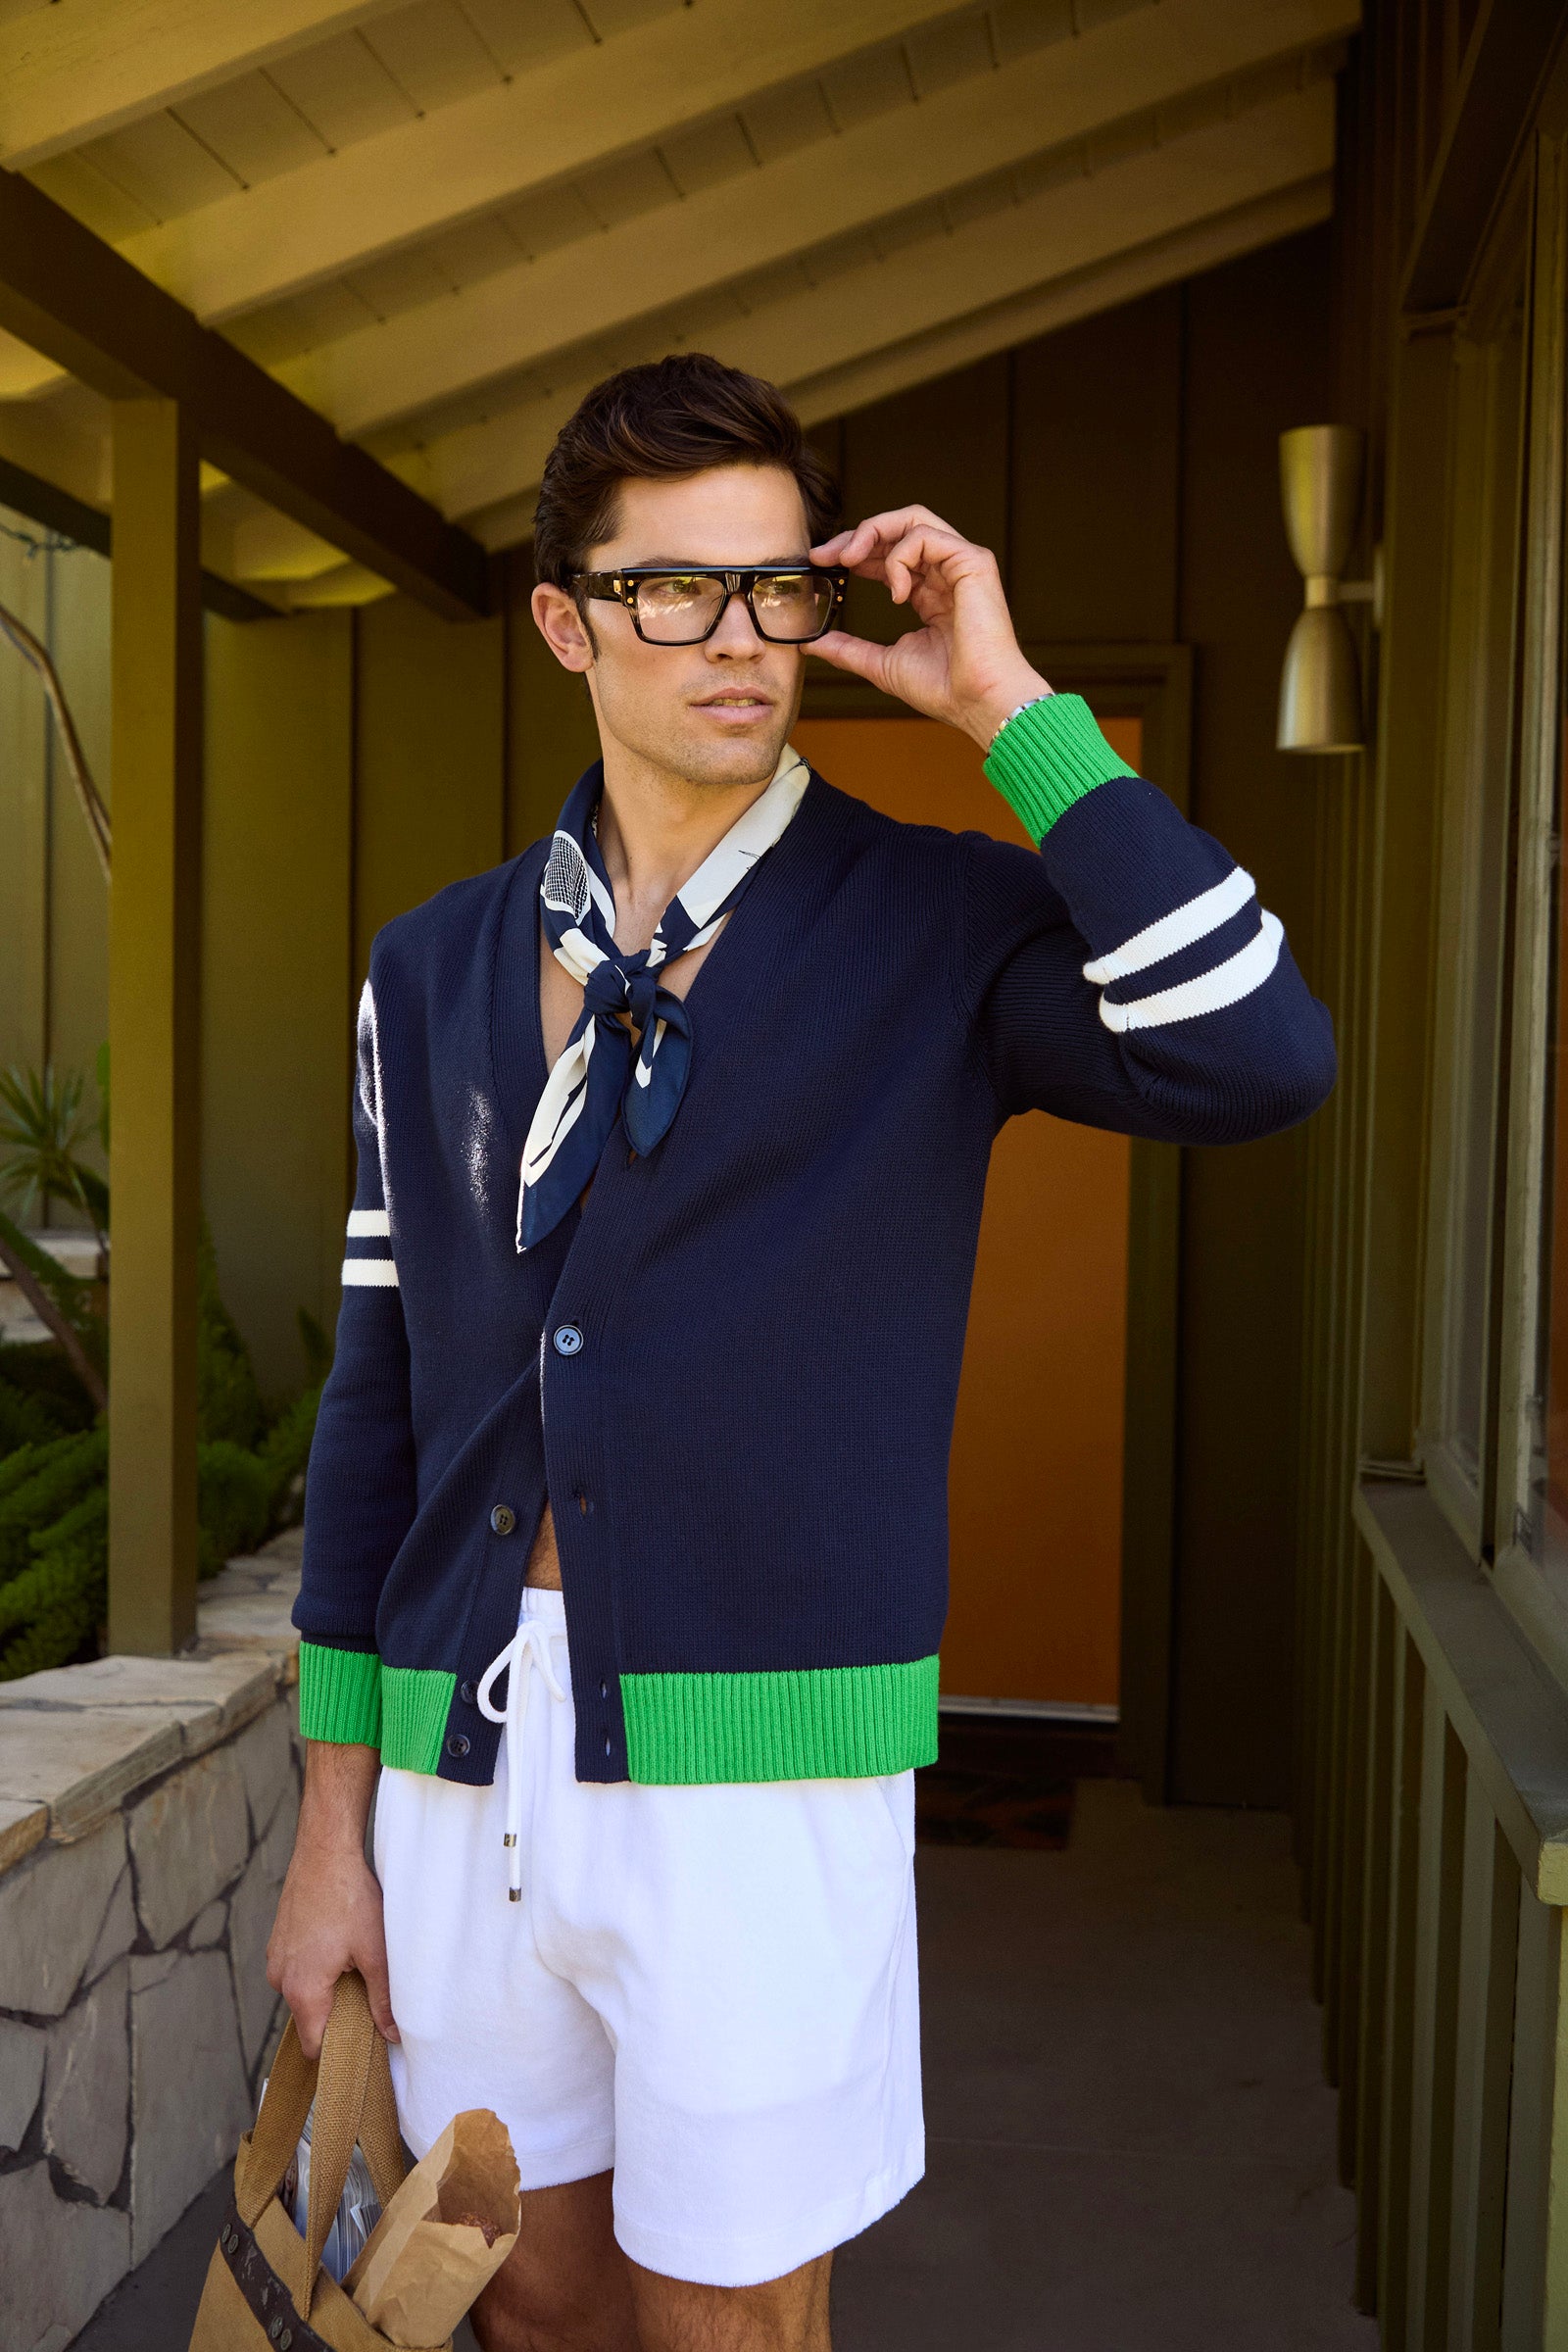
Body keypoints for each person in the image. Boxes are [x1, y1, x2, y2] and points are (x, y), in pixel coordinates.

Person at [268, 352, 1335, 2352]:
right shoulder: (429, 967)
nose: (737, 639)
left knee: (726, 2328)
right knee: (516, 2302)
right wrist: (331, 1835)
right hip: (458, 1755)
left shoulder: (935, 926)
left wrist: (1009, 712)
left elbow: (1256, 1049)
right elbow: (375, 1405)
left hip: (758, 1771)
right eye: (674, 590)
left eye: (777, 588)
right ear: (567, 622)